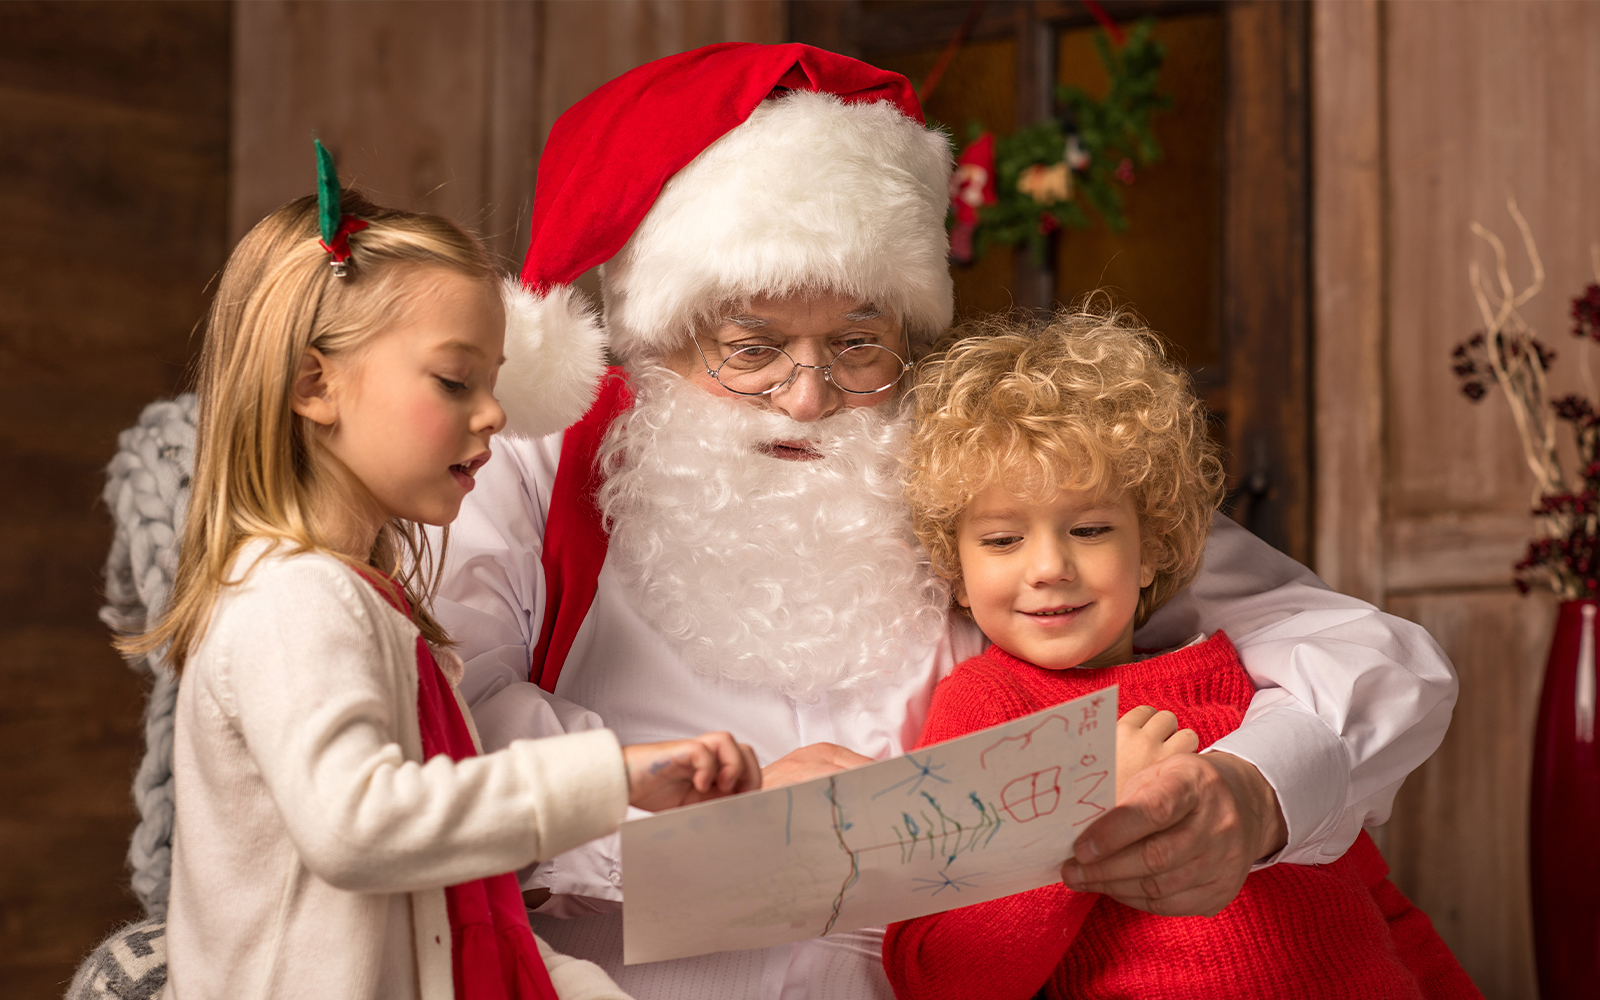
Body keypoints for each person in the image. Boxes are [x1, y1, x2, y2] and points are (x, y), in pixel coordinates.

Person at [435, 42, 1459, 1000]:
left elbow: (1365, 651)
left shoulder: (984, 467)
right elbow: (443, 723)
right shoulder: (537, 454)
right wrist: (688, 804)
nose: (807, 396)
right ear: (657, 334)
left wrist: (1254, 789)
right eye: (750, 348)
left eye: (856, 343)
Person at [131, 186, 759, 1000]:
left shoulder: (379, 612)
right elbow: (361, 826)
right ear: (312, 386)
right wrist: (610, 779)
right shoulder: (295, 602)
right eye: (455, 381)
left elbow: (458, 912)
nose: (495, 413)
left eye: (492, 382)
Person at [881, 311, 1480, 1000]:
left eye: (1089, 528)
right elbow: (938, 975)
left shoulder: (1243, 677)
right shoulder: (986, 706)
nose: (1048, 567)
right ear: (954, 569)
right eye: (1001, 540)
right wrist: (1080, 807)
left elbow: (1378, 901)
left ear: (1156, 546)